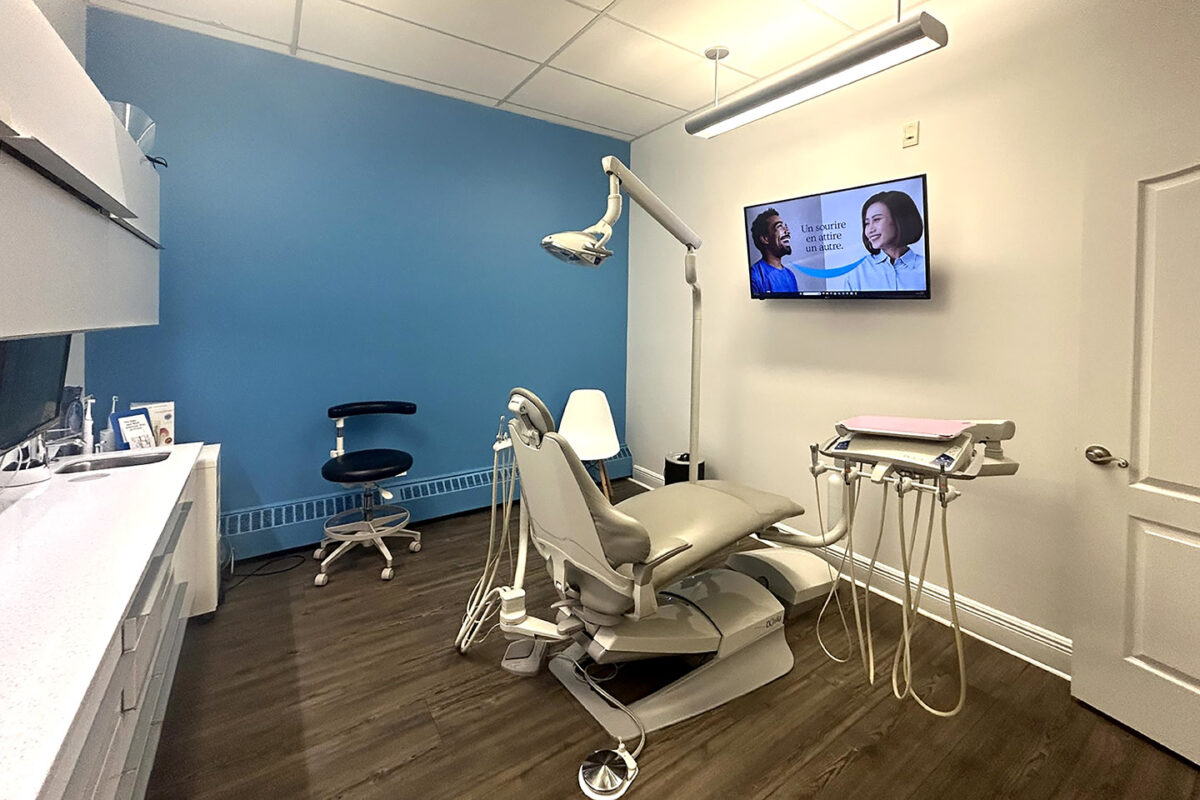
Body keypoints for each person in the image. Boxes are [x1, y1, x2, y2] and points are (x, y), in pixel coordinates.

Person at [830, 191, 926, 292]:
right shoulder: (857, 273)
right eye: (867, 223)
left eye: (877, 220)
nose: (870, 230)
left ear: (899, 220)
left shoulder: (924, 267)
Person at [748, 208, 799, 295]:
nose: (787, 231)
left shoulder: (790, 275)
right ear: (765, 239)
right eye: (779, 227)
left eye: (786, 226)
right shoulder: (754, 275)